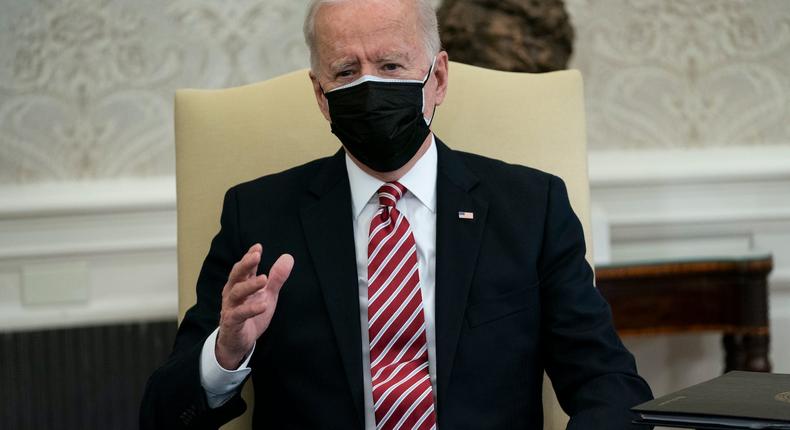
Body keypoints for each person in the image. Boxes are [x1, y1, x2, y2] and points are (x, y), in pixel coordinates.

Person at [140, 0, 653, 428]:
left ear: (439, 78)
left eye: (390, 66)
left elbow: (606, 381)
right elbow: (162, 413)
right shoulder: (257, 216)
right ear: (321, 96)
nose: (369, 86)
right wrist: (225, 354)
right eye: (346, 71)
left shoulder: (530, 209)